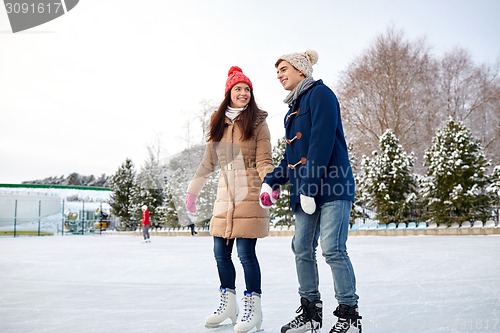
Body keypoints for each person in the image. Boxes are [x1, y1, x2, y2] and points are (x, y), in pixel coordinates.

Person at [260, 50, 362, 333]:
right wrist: (272, 180)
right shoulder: (293, 109)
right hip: (306, 191)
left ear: (301, 70)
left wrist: (308, 185)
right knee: (301, 248)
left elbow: (321, 143)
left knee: (332, 249)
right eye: (277, 71)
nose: (279, 75)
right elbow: (292, 155)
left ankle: (349, 315)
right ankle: (311, 313)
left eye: (283, 69)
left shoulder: (321, 95)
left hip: (332, 185)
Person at [185, 66, 274, 333]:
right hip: (225, 195)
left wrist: (269, 183)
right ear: (229, 92)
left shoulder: (258, 122)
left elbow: (264, 160)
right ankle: (229, 305)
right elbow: (208, 162)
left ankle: (253, 310)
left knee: (246, 254)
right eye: (239, 89)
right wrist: (193, 190)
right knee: (220, 253)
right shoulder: (218, 123)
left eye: (247, 89)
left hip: (249, 192)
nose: (244, 93)